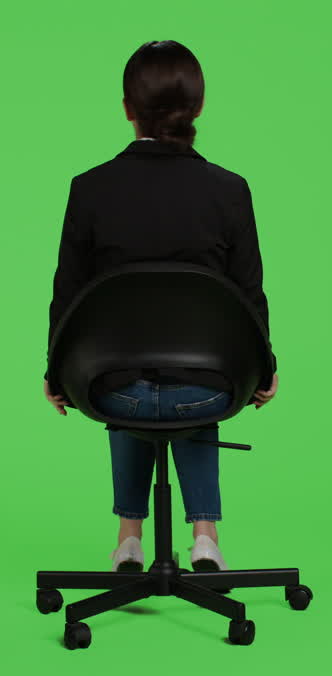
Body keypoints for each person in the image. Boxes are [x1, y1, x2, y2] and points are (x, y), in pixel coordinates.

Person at [43, 40, 279, 575]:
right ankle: (205, 538)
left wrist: (55, 374)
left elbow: (68, 294)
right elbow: (249, 295)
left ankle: (128, 540)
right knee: (195, 373)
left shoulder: (90, 189)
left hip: (115, 395)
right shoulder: (229, 191)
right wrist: (264, 370)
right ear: (198, 107)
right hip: (207, 393)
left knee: (124, 364)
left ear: (127, 107)